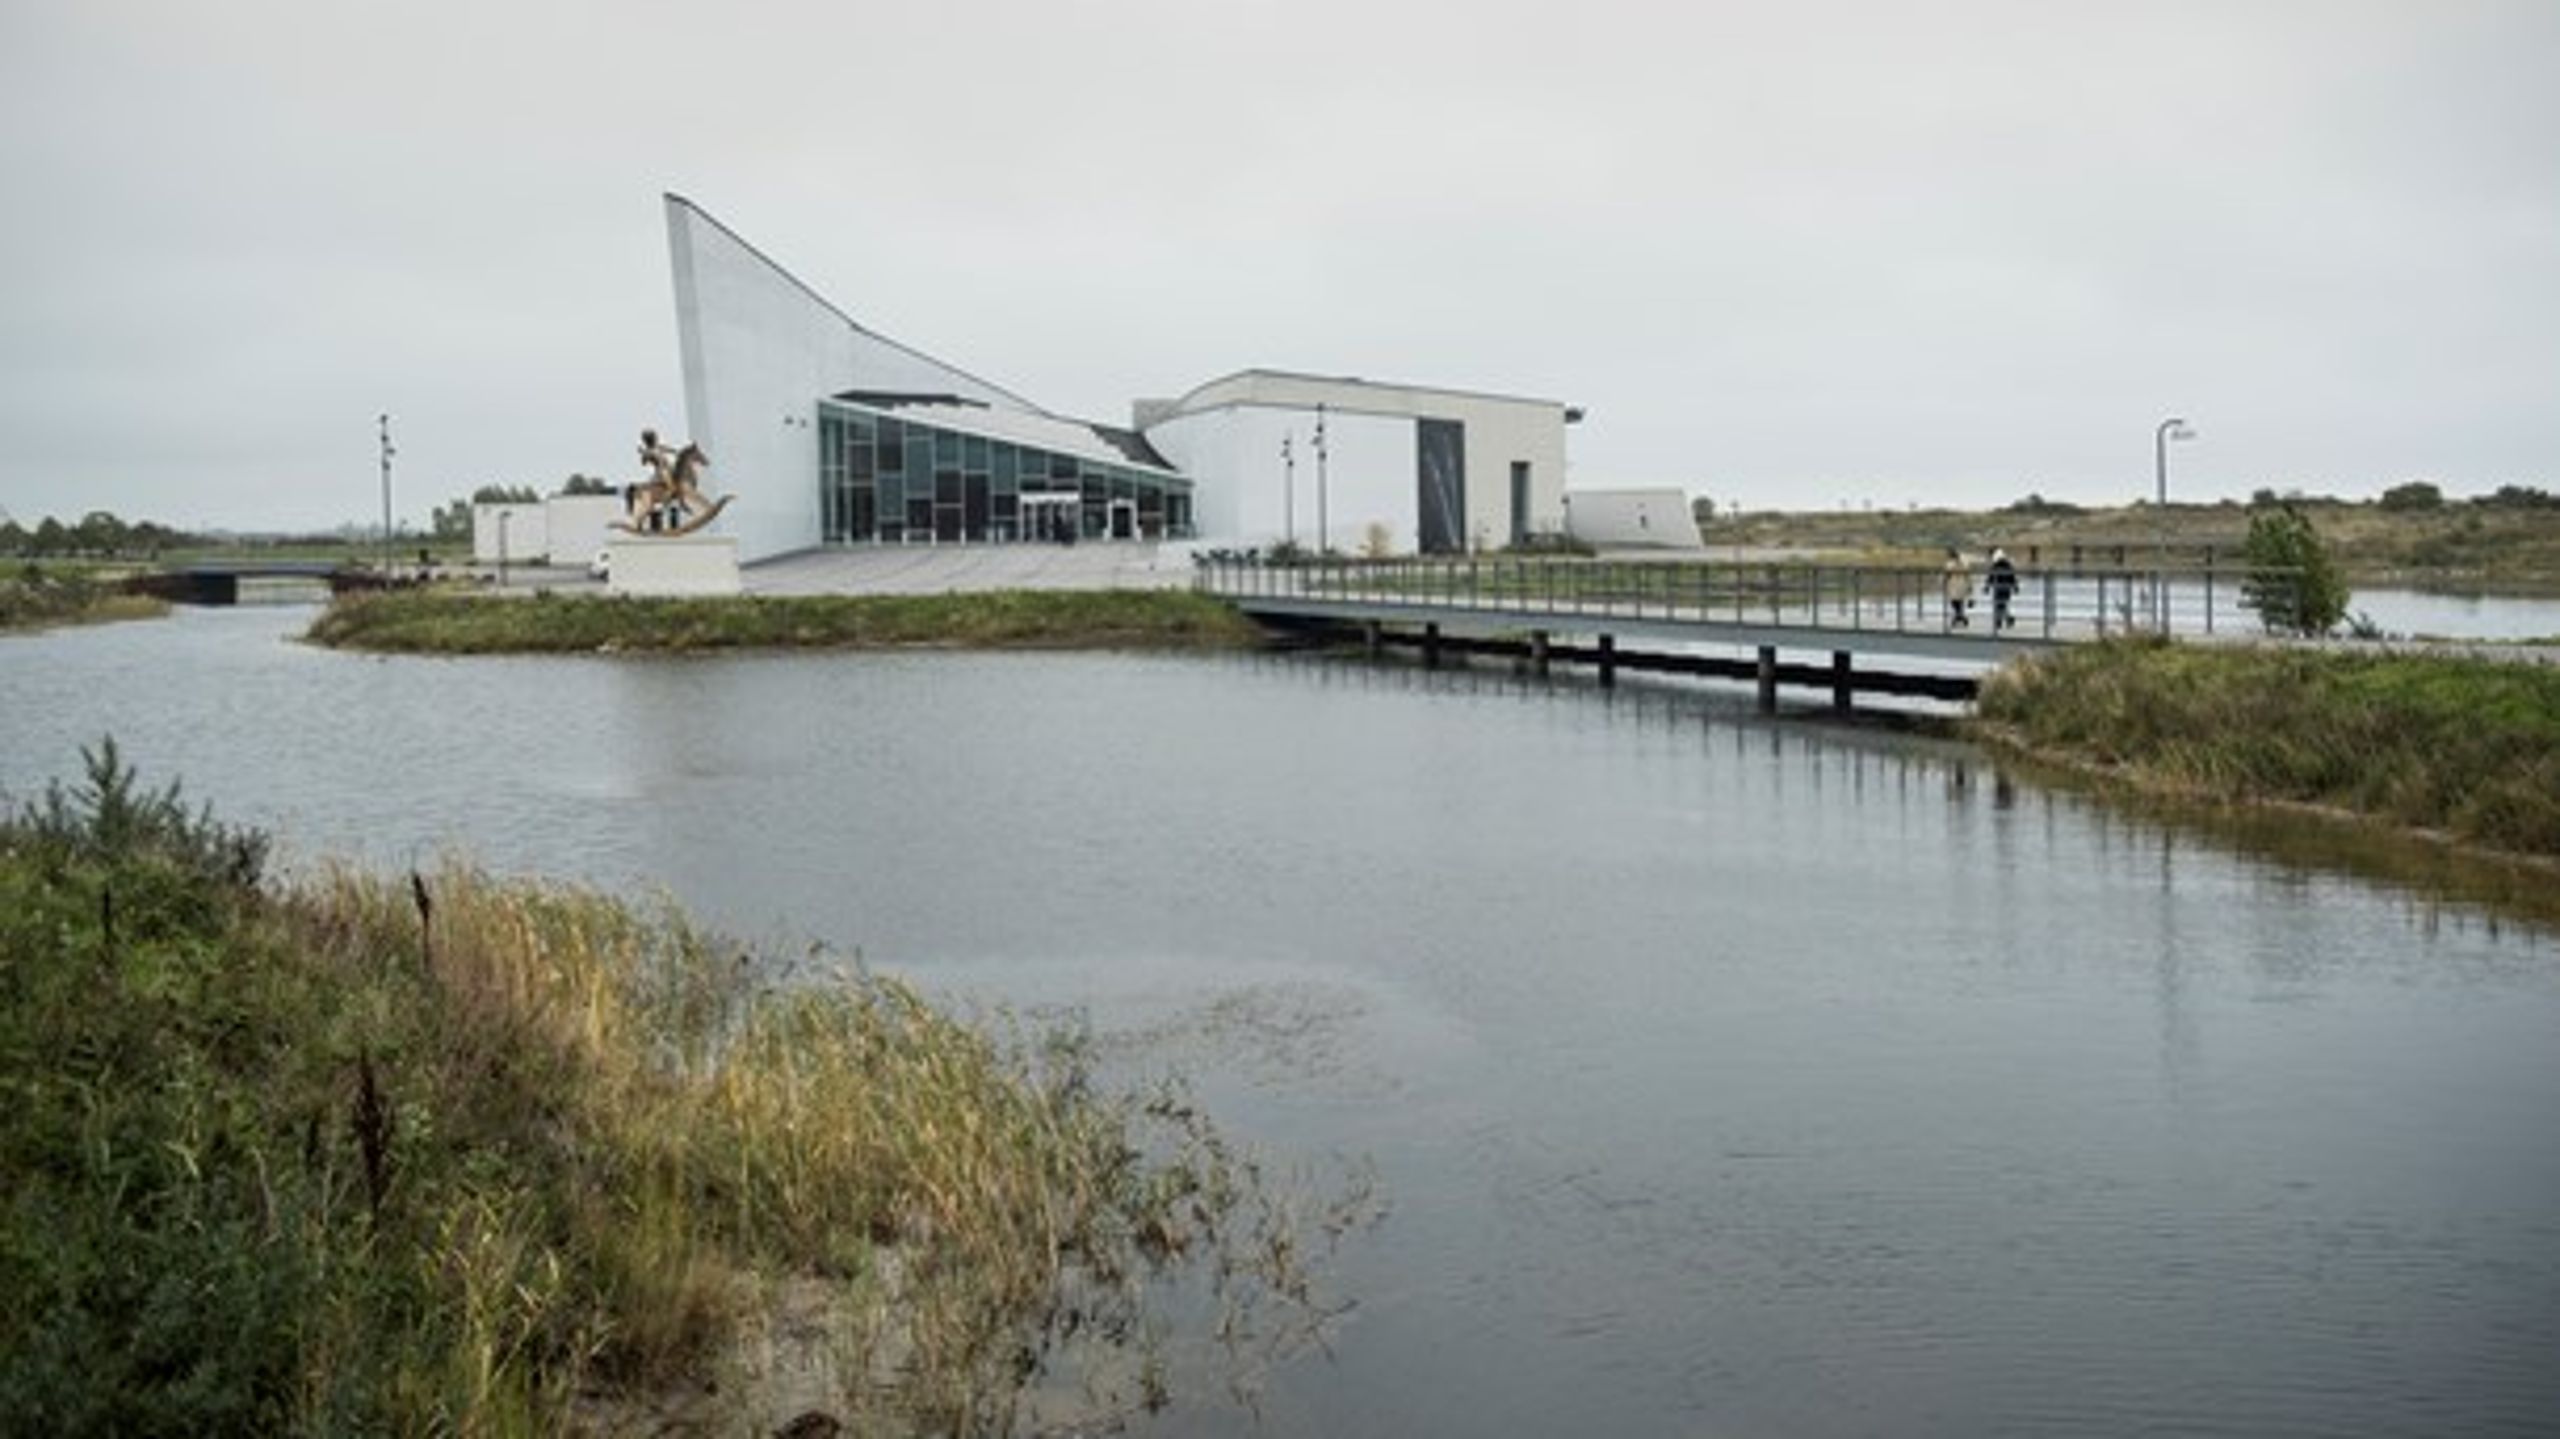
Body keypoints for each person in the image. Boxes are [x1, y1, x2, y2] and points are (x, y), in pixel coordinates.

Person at [1986, 547, 2019, 630]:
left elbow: (1991, 577)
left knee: (1999, 605)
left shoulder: (1995, 565)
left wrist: (1987, 586)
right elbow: (2012, 577)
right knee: (2002, 605)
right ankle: (2006, 620)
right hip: (2006, 588)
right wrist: (2015, 587)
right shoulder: (2008, 565)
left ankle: (2000, 621)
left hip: (1998, 587)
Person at [1941, 547, 1973, 629]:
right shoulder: (1963, 562)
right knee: (1959, 602)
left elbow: (1947, 574)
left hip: (1954, 585)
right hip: (1962, 584)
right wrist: (1970, 586)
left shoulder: (1950, 564)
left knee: (1954, 602)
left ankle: (1959, 618)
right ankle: (1960, 617)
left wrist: (1943, 582)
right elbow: (1967, 574)